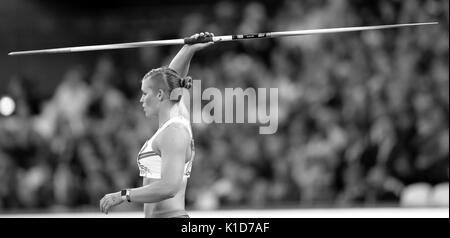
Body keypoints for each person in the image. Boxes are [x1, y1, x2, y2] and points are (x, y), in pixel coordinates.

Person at [99, 32, 214, 218]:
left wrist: (124, 195)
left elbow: (169, 187)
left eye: (145, 93)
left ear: (160, 95)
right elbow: (171, 76)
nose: (141, 99)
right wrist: (189, 48)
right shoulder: (175, 121)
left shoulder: (174, 131)